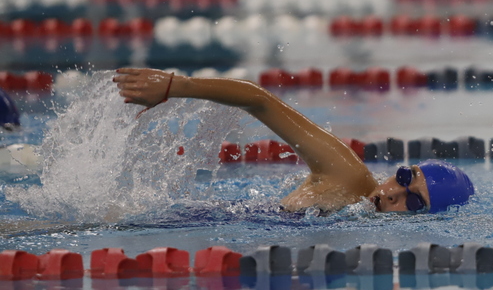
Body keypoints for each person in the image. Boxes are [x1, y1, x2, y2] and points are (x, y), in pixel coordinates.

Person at [113, 68, 474, 214]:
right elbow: (259, 100)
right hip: (180, 217)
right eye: (406, 178)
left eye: (413, 204)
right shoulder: (347, 176)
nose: (394, 194)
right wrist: (178, 87)